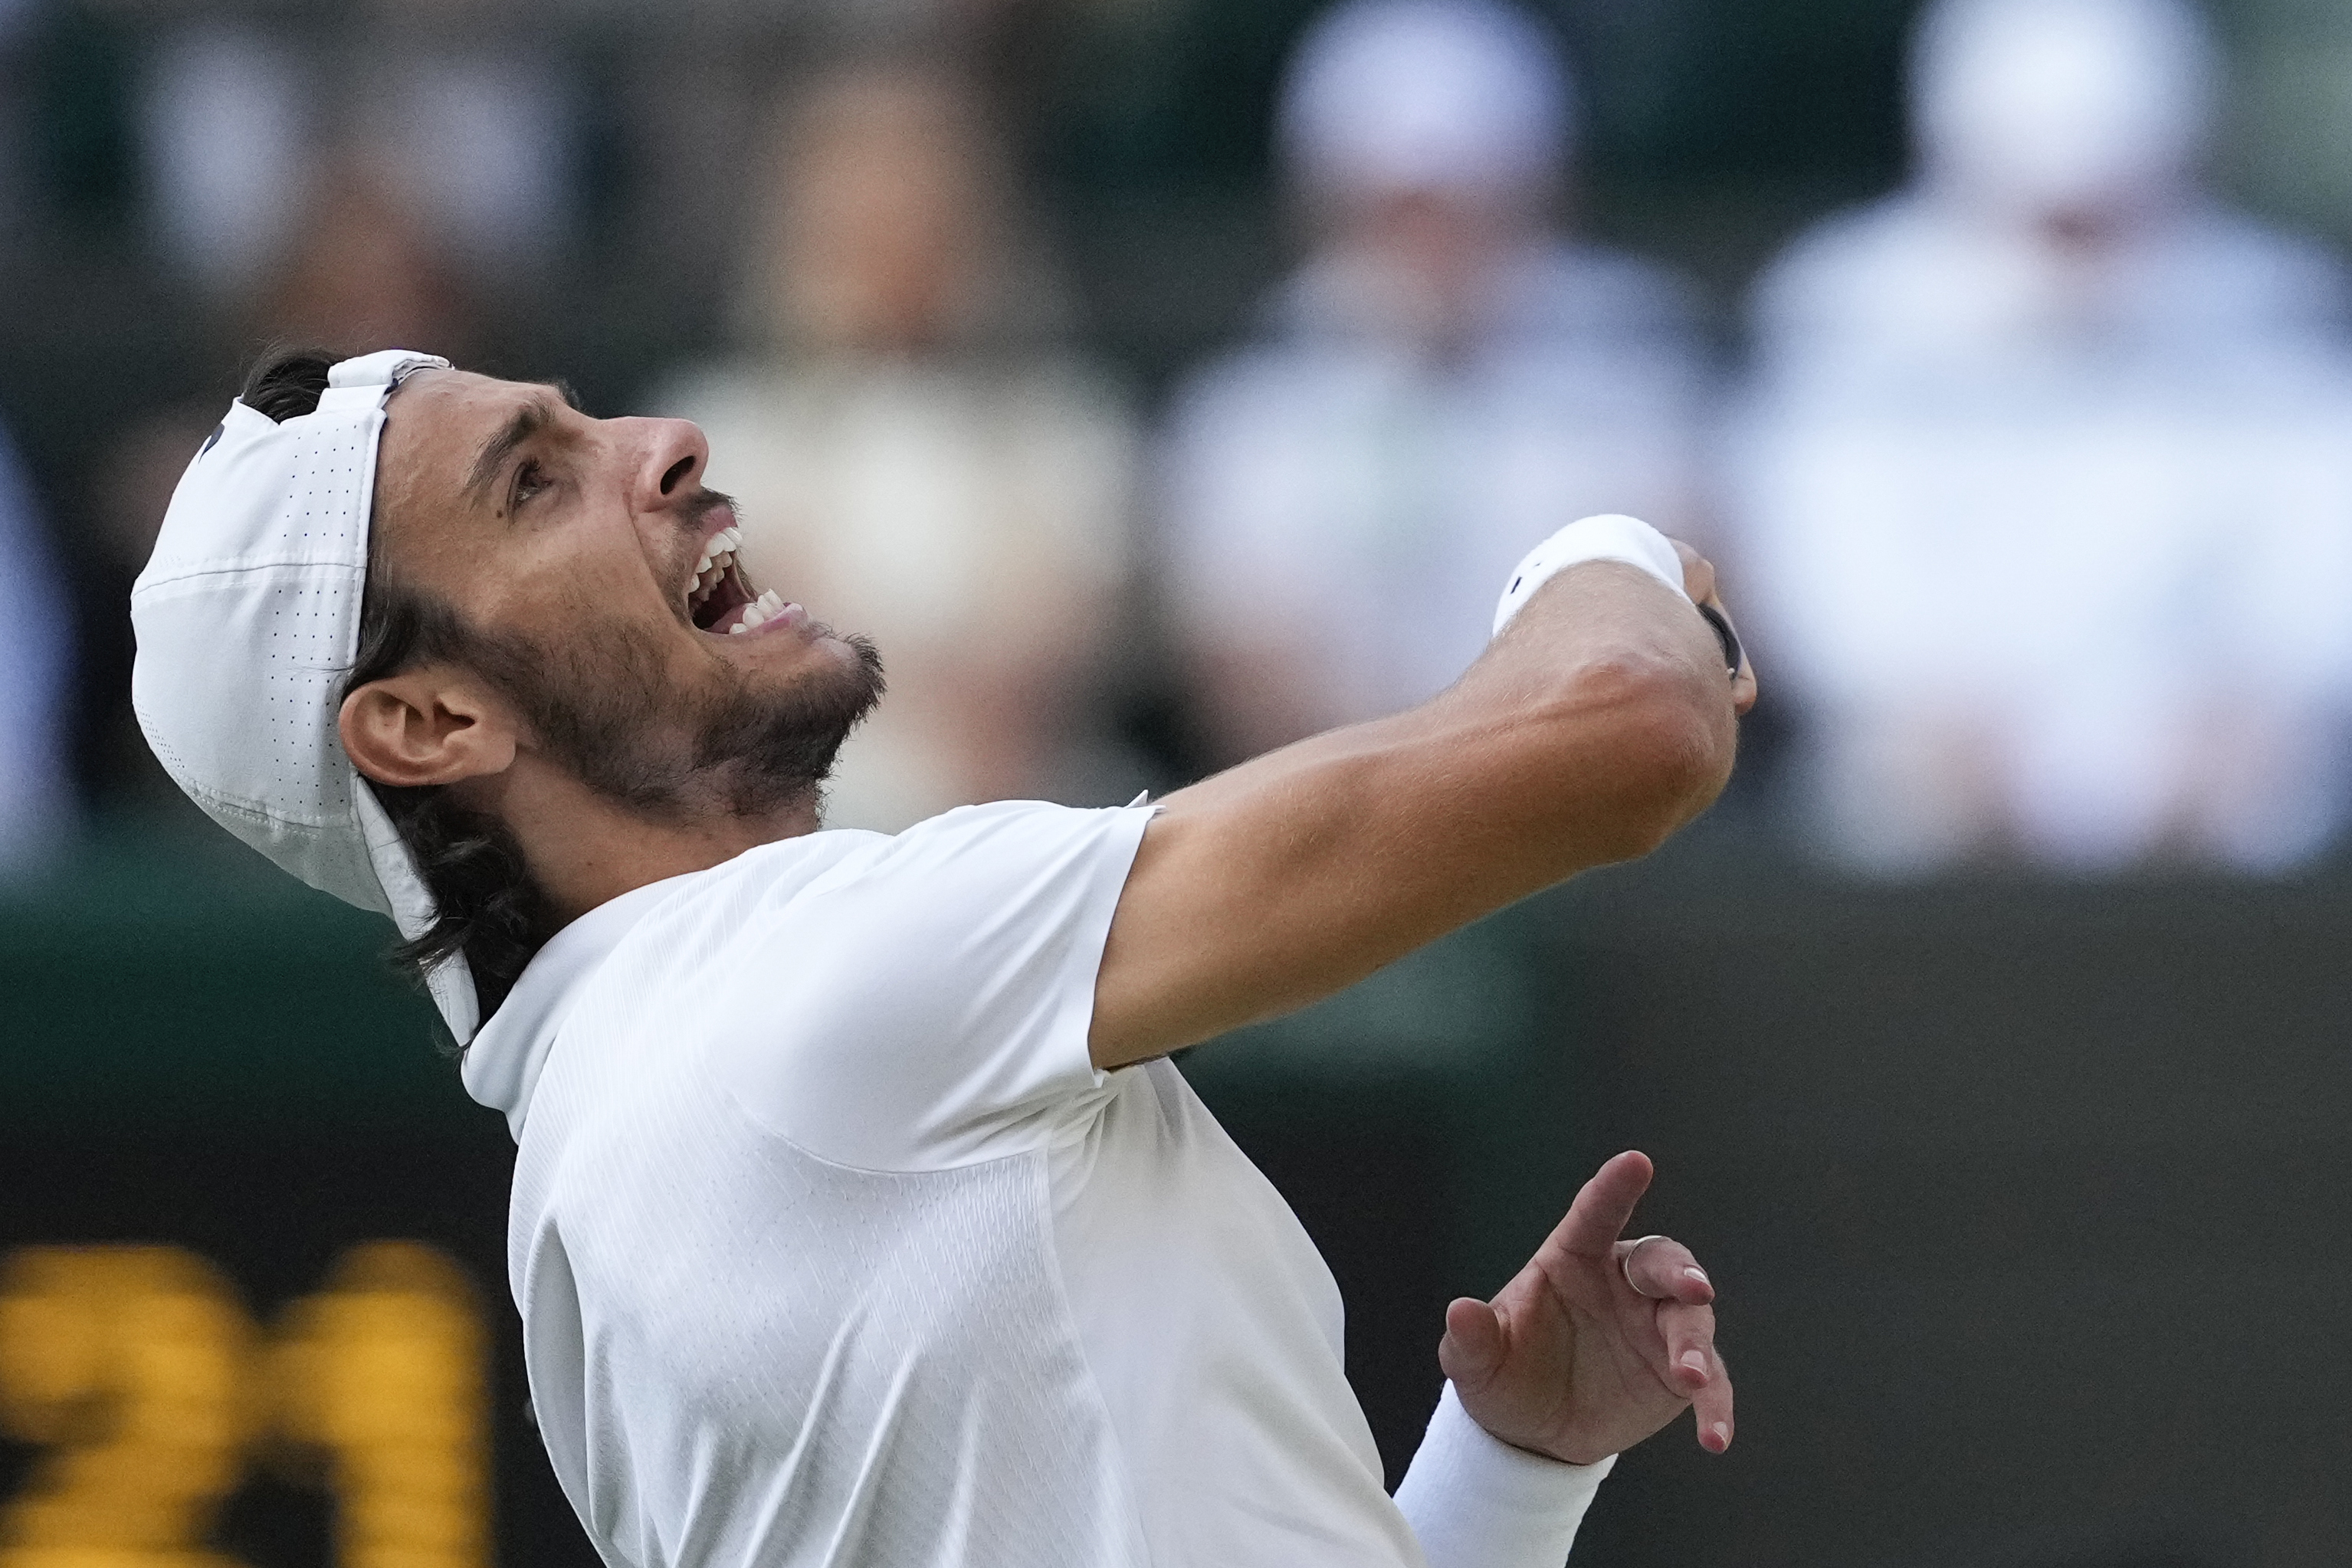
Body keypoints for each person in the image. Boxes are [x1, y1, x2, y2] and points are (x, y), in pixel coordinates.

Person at [130, 348, 1754, 1566]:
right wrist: (1606, 557)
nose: (667, 443)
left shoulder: (585, 1234)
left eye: (587, 420)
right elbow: (1620, 729)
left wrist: (1502, 1474)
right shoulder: (801, 988)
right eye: (534, 483)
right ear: (429, 722)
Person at [1725, 0, 2352, 872]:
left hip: (2215, 753)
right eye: (2050, 212)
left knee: (2289, 799)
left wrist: (2237, 719)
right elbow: (1820, 573)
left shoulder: (2275, 309)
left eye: (2109, 207)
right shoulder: (1847, 305)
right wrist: (1944, 723)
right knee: (1877, 798)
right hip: (1933, 746)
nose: (2081, 243)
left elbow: (2319, 571)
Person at [1162, 0, 1710, 765]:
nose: (1435, 245)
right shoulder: (1253, 400)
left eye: (1469, 205)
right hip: (1345, 806)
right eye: (1400, 210)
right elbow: (1247, 670)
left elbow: (1689, 612)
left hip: (1589, 792)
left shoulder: (1634, 355)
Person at [659, 59, 1135, 830]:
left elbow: (1053, 642)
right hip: (807, 820)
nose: (894, 245)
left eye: (921, 213)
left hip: (1023, 797)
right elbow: (758, 647)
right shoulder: (716, 427)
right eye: (860, 218)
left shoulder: (1063, 419)